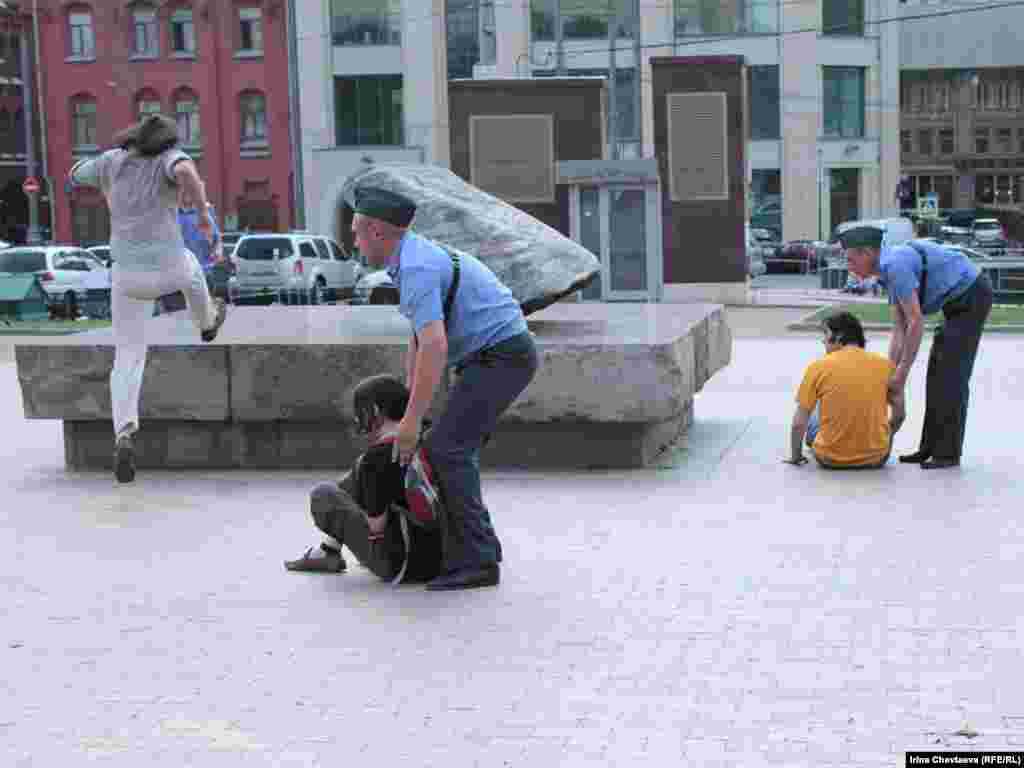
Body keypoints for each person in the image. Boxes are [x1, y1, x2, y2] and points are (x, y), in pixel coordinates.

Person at [350, 186, 539, 591]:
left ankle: (479, 561)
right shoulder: (411, 258)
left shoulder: (415, 268)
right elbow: (420, 339)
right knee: (451, 448)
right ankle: (480, 549)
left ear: (378, 232)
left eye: (357, 232)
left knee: (448, 450)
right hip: (489, 357)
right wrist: (408, 403)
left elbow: (435, 344)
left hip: (501, 357)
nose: (354, 241)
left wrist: (412, 421)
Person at [68, 114, 227, 484]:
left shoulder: (111, 161)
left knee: (127, 357)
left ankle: (123, 433)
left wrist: (96, 174)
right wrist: (202, 214)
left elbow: (75, 174)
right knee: (192, 270)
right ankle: (206, 323)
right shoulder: (169, 159)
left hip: (127, 276)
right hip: (169, 265)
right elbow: (186, 172)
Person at [841, 224, 993, 469]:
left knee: (951, 377)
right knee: (936, 375)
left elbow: (915, 322)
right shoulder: (886, 271)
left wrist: (901, 373)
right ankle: (929, 448)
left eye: (850, 259)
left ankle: (947, 454)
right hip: (955, 303)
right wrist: (889, 372)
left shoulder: (895, 266)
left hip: (971, 297)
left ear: (867, 253)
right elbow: (899, 328)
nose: (848, 265)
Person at [285, 374, 443, 583]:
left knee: (324, 495)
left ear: (376, 411)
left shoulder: (377, 458)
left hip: (401, 564)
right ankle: (328, 550)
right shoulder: (429, 438)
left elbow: (375, 528)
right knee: (359, 472)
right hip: (442, 558)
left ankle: (328, 553)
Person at [784, 312, 905, 469]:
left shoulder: (818, 367)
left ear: (839, 336)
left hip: (829, 458)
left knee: (815, 408)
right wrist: (884, 436)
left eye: (826, 334)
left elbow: (798, 424)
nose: (823, 340)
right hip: (877, 457)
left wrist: (796, 457)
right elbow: (900, 415)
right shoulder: (886, 366)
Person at [156, 196, 224, 314]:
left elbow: (216, 240)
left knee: (202, 316)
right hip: (176, 277)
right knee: (178, 316)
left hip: (203, 274)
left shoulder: (203, 215)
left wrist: (217, 252)